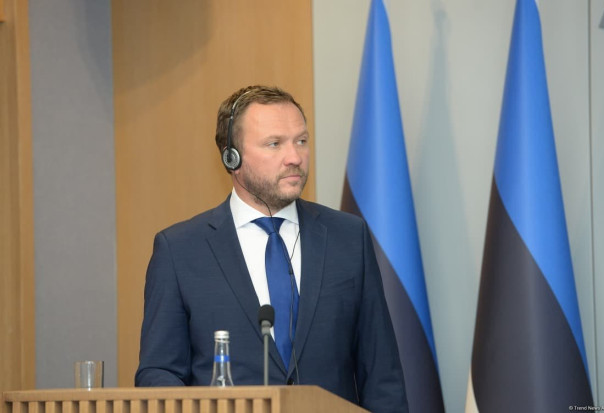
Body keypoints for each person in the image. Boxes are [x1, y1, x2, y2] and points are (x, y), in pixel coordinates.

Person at [135, 85, 408, 412]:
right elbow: (159, 374)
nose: (295, 157)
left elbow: (382, 375)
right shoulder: (180, 251)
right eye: (274, 144)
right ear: (232, 157)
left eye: (301, 141)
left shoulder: (348, 237)